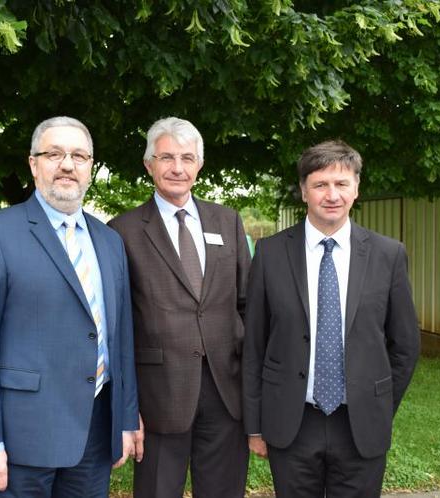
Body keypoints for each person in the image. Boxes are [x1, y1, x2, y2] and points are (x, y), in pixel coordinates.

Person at [0, 116, 139, 498]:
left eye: (79, 155)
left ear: (90, 167)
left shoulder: (109, 241)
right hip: (22, 439)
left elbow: (121, 341)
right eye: (53, 153)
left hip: (94, 436)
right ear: (33, 164)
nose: (67, 164)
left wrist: (124, 420)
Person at [242, 140, 420, 497]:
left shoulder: (388, 254)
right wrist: (255, 424)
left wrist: (378, 404)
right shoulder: (271, 253)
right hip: (292, 421)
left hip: (360, 423)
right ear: (304, 191)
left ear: (357, 189)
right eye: (320, 184)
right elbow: (254, 345)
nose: (331, 194)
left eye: (342, 183)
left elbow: (405, 346)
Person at [108, 117, 251, 498]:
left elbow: (247, 306)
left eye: (187, 158)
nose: (177, 168)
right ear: (148, 164)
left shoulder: (228, 221)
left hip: (226, 392)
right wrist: (127, 407)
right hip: (159, 397)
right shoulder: (121, 231)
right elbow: (117, 326)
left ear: (199, 165)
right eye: (167, 157)